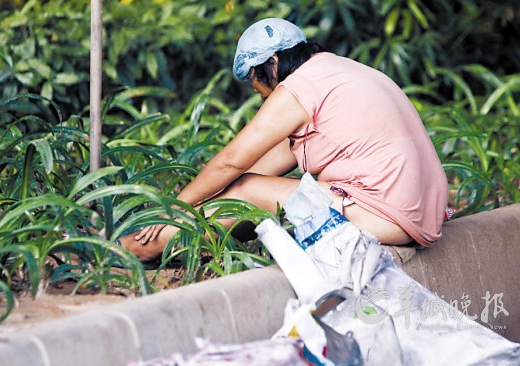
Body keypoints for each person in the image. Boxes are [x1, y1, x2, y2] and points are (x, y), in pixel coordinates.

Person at [118, 18, 449, 263]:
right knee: (251, 194)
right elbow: (260, 166)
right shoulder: (337, 70)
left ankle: (135, 248)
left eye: (256, 84)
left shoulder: (299, 86)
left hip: (384, 215)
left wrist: (172, 209)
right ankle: (173, 244)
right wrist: (196, 205)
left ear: (271, 64)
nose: (261, 95)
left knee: (246, 191)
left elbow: (231, 162)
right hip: (417, 216)